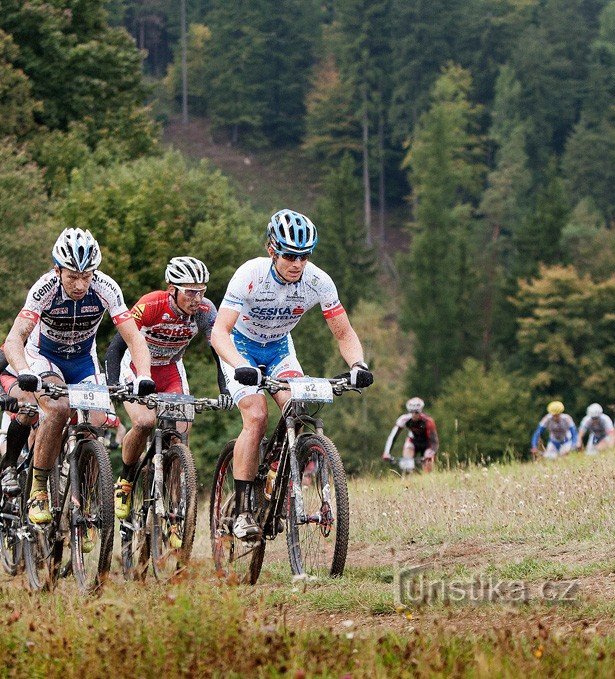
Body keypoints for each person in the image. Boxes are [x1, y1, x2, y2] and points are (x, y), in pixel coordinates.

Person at [211, 209, 373, 541]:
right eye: (288, 255)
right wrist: (240, 365)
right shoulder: (251, 274)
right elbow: (219, 333)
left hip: (279, 349)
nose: (296, 263)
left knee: (297, 407)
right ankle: (242, 511)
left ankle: (272, 478)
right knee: (256, 416)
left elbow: (344, 333)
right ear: (272, 250)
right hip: (240, 348)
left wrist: (359, 365)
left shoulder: (318, 281)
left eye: (303, 256)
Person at [2, 228, 156, 525]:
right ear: (57, 269)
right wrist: (23, 372)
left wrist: (144, 375)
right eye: (72, 276)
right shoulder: (43, 289)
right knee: (57, 410)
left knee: (96, 422)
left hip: (84, 361)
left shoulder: (106, 288)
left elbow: (135, 339)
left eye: (86, 276)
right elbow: (13, 339)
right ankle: (38, 491)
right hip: (46, 358)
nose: (80, 284)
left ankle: (83, 498)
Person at [104, 256, 225, 520]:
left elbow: (217, 348)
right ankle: (125, 481)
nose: (197, 298)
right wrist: (113, 384)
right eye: (191, 292)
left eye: (202, 291)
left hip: (170, 369)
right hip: (137, 368)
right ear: (172, 288)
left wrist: (224, 386)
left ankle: (175, 502)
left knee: (181, 430)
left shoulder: (205, 311)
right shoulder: (152, 304)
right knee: (145, 422)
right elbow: (117, 345)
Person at [0, 345, 37, 495]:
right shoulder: (7, 375)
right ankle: (9, 476)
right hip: (12, 416)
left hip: (34, 415)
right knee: (6, 445)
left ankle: (35, 468)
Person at [383, 397, 440, 472]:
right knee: (407, 464)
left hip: (427, 443)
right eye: (411, 411)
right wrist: (387, 452)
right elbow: (393, 436)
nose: (413, 414)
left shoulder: (428, 421)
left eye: (416, 412)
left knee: (428, 466)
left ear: (420, 411)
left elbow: (435, 441)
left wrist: (431, 453)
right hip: (413, 441)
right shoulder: (403, 419)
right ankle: (409, 479)